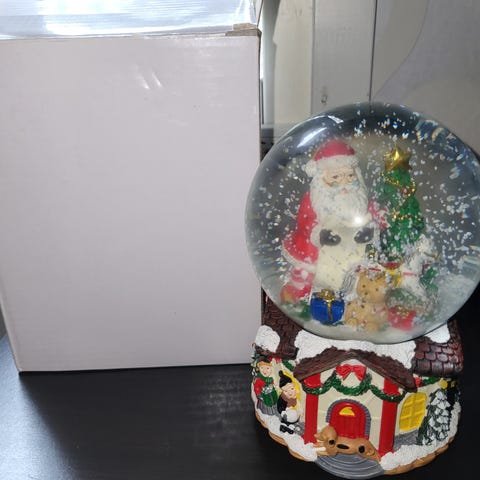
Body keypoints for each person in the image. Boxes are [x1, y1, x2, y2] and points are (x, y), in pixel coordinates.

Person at [281, 140, 373, 307]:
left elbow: (375, 215)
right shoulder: (314, 199)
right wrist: (320, 234)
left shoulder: (361, 198)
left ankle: (350, 296)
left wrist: (370, 231)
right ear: (321, 177)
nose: (344, 182)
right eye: (335, 177)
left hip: (352, 252)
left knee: (355, 275)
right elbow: (305, 221)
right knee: (309, 273)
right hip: (317, 251)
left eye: (350, 175)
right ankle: (302, 293)